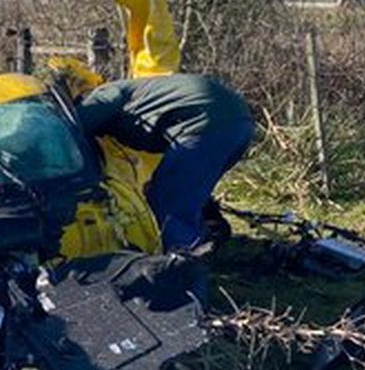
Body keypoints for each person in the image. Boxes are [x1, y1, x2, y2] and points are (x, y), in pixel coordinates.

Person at [77, 72, 253, 252]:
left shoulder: (104, 94)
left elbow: (76, 127)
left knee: (168, 201)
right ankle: (204, 236)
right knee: (188, 193)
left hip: (205, 125)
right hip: (241, 124)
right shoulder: (139, 90)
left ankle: (182, 256)